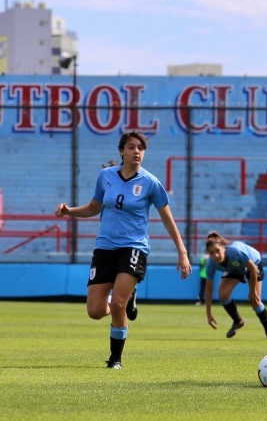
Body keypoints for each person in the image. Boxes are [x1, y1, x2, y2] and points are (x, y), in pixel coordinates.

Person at [55, 130, 192, 369]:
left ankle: (115, 359)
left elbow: (168, 219)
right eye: (131, 147)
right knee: (96, 311)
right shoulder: (105, 176)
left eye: (141, 148)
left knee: (118, 304)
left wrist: (182, 252)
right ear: (121, 151)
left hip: (134, 248)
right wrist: (69, 211)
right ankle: (129, 296)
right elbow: (94, 207)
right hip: (105, 248)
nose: (136, 151)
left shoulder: (151, 182)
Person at [203, 231, 267, 340]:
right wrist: (208, 314)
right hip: (234, 269)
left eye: (217, 250)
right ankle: (238, 321)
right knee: (223, 295)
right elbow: (208, 289)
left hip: (253, 265)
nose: (216, 255)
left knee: (255, 301)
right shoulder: (211, 263)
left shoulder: (235, 252)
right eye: (211, 253)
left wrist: (252, 292)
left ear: (224, 247)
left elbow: (252, 269)